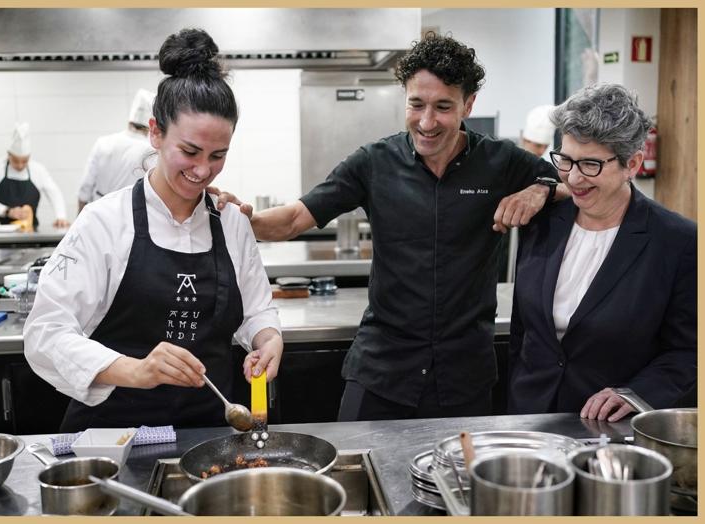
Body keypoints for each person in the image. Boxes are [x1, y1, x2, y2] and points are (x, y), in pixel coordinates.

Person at [215, 33, 566, 422]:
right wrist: (244, 219)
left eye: (443, 107)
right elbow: (297, 217)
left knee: (453, 482)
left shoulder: (500, 161)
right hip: (381, 372)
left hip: (463, 376)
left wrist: (541, 189)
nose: (427, 121)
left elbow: (574, 184)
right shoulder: (374, 162)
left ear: (469, 104)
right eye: (416, 104)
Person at [24, 28, 283, 432]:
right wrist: (136, 370)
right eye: (190, 151)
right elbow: (45, 333)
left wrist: (268, 340)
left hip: (208, 435)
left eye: (218, 156)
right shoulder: (104, 221)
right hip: (113, 439)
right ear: (156, 133)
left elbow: (257, 309)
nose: (202, 170)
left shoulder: (231, 222)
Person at [507, 83, 696, 422]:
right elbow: (525, 331)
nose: (574, 178)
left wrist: (637, 394)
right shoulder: (543, 223)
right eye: (566, 160)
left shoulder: (678, 242)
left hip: (611, 432)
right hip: (528, 419)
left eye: (591, 164)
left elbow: (688, 352)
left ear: (632, 163)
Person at [77, 88, 156, 212]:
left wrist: (79, 216)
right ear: (150, 125)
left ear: (130, 120)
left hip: (99, 213)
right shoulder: (150, 151)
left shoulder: (103, 143)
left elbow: (85, 188)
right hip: (133, 215)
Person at [0, 122, 69, 230]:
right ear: (9, 154)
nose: (20, 165)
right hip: (1, 230)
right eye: (16, 161)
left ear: (29, 157)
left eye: (25, 161)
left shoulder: (38, 170)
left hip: (31, 230)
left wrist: (60, 216)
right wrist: (8, 211)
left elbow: (54, 193)